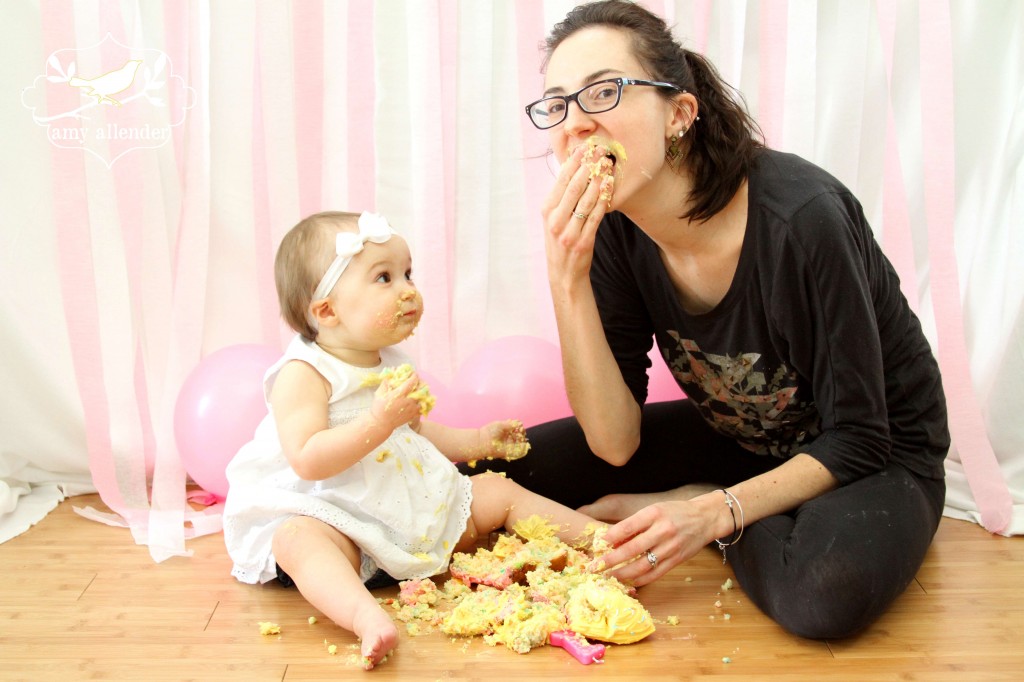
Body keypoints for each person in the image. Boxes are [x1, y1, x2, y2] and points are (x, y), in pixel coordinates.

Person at [482, 0, 949, 639]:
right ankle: (721, 497)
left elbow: (862, 437)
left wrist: (706, 515)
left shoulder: (802, 220)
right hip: (739, 436)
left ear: (680, 112)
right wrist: (567, 278)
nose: (576, 123)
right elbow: (614, 442)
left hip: (875, 453)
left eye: (604, 91)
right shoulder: (617, 230)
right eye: (559, 104)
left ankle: (713, 507)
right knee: (499, 473)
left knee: (822, 595)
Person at [222, 211, 600, 669]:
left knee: (495, 491)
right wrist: (378, 422)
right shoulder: (304, 374)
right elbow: (307, 459)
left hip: (401, 508)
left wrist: (478, 441)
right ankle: (363, 615)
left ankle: (607, 540)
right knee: (297, 539)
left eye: (407, 273)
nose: (407, 289)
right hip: (338, 516)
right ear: (327, 310)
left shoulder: (389, 361)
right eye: (384, 278)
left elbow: (416, 436)